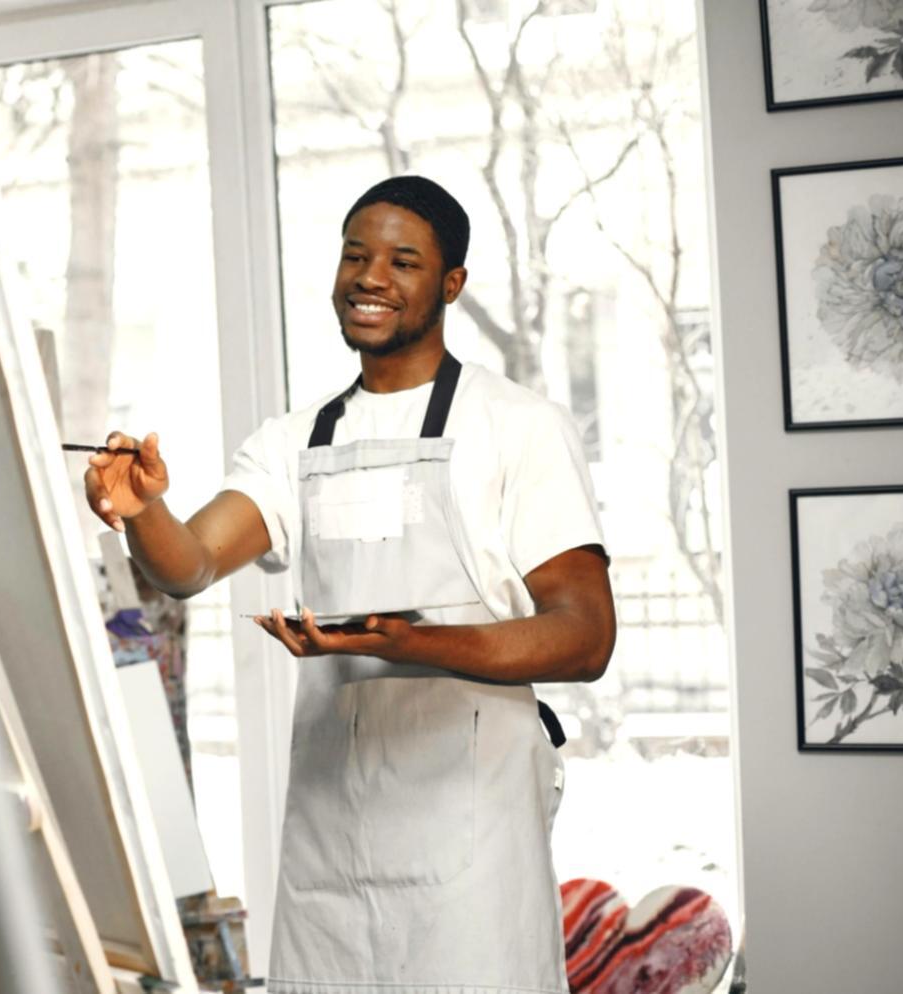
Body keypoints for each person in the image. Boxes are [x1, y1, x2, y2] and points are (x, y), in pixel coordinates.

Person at [82, 175, 616, 994]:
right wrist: (143, 507)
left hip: (471, 847)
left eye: (404, 260)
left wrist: (415, 643)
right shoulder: (295, 442)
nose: (371, 276)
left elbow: (585, 636)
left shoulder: (516, 427)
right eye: (356, 255)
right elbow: (186, 564)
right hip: (332, 844)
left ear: (452, 285)